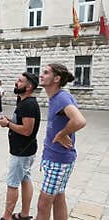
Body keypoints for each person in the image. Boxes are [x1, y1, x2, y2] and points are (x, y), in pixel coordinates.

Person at [36, 64, 86, 220]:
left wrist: (62, 133)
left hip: (59, 160)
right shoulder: (57, 97)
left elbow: (79, 121)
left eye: (45, 72)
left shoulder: (61, 97)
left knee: (43, 204)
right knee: (58, 199)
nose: (41, 75)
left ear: (56, 79)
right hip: (56, 158)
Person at [0, 73, 41, 220]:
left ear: (29, 87)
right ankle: (25, 214)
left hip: (22, 151)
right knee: (25, 179)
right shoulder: (24, 102)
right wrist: (9, 121)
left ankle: (6, 217)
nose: (16, 83)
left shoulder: (28, 104)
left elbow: (27, 130)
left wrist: (8, 124)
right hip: (26, 149)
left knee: (12, 184)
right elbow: (22, 124)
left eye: (20, 81)